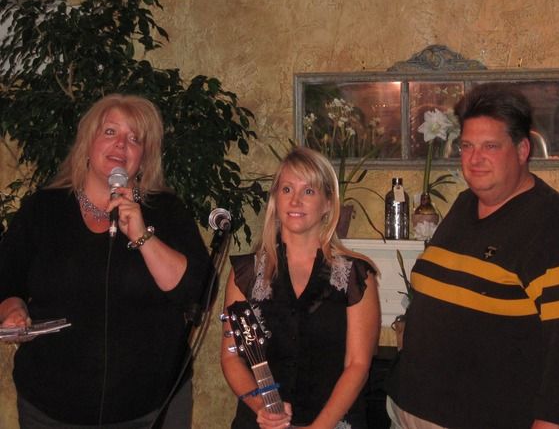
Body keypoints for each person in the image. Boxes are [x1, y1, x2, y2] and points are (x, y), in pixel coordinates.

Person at [385, 83, 559, 429]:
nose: (474, 159)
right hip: (413, 410)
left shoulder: (555, 229)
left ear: (522, 149)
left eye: (490, 146)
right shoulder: (464, 205)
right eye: (467, 146)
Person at [0, 94, 212, 428]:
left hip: (152, 406)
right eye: (110, 132)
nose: (121, 145)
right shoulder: (44, 209)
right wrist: (12, 309)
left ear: (144, 158)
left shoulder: (167, 212)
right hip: (51, 407)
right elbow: (6, 279)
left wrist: (142, 235)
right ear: (87, 143)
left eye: (135, 139)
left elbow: (198, 293)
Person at [220, 146, 381, 429]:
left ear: (328, 203)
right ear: (275, 200)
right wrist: (263, 408)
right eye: (286, 190)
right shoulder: (245, 273)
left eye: (308, 191)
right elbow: (231, 357)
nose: (295, 200)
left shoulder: (355, 276)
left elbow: (357, 366)